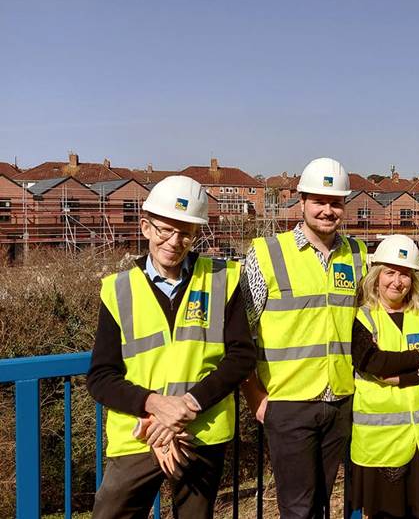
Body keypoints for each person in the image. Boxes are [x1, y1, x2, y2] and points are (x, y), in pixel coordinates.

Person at [87, 175, 256, 519]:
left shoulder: (223, 279)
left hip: (201, 434)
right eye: (165, 230)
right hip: (139, 437)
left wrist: (185, 408)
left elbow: (241, 357)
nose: (174, 241)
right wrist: (155, 410)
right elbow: (101, 377)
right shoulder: (118, 290)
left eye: (186, 233)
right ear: (146, 227)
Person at [240, 157, 367, 519]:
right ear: (302, 202)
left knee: (323, 503)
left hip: (340, 400)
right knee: (297, 510)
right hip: (287, 403)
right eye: (319, 201)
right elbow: (240, 333)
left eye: (336, 202)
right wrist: (255, 398)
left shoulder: (357, 255)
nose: (328, 210)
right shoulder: (267, 253)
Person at [350, 234, 419, 518]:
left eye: (405, 274)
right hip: (382, 445)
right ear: (376, 276)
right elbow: (374, 362)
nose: (397, 281)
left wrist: (402, 377)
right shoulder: (363, 318)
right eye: (390, 273)